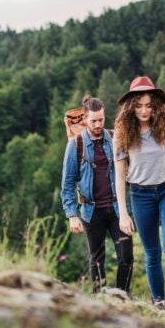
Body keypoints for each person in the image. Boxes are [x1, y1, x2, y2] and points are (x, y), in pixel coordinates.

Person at [113, 76, 165, 314]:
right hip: (140, 194)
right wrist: (123, 213)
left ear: (156, 106)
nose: (143, 110)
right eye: (138, 105)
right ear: (131, 106)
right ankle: (159, 303)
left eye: (149, 105)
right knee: (151, 253)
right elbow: (120, 177)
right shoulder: (121, 135)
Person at [61, 95, 133, 293]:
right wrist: (72, 215)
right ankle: (100, 300)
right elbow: (67, 183)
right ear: (85, 119)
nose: (98, 124)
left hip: (118, 208)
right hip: (91, 211)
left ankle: (123, 297)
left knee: (126, 257)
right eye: (93, 120)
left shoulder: (114, 138)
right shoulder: (75, 145)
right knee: (97, 260)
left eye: (101, 119)